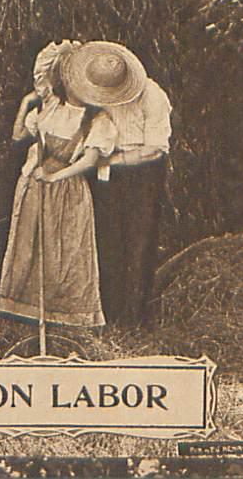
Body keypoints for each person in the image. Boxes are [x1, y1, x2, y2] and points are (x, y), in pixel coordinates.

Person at [0, 43, 117, 328]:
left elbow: (89, 161)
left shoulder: (97, 120)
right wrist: (26, 104)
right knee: (29, 245)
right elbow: (18, 137)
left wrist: (55, 177)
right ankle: (26, 313)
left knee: (64, 254)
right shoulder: (50, 106)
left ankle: (64, 319)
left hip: (67, 191)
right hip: (33, 185)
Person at [67, 41, 172, 327]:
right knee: (107, 238)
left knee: (137, 241)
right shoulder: (96, 88)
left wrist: (112, 162)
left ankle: (134, 319)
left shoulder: (153, 95)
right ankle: (107, 314)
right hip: (105, 171)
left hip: (142, 174)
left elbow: (155, 148)